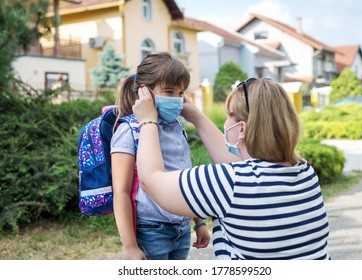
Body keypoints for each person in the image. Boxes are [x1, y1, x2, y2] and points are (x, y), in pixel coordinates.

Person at [132, 77, 330, 260]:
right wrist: (197, 117)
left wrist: (147, 121)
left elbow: (151, 181)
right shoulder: (305, 172)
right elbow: (241, 168)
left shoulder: (230, 182)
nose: (226, 123)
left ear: (241, 129)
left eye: (229, 116)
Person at [111, 52, 210, 260]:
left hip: (181, 230)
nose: (176, 99)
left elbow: (185, 177)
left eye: (180, 92)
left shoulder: (177, 128)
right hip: (151, 232)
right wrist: (129, 246)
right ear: (144, 91)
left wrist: (198, 222)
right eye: (169, 91)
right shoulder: (129, 130)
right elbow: (120, 191)